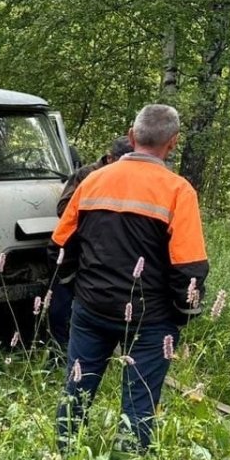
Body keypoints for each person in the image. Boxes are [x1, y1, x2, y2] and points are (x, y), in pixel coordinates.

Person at [51, 104, 209, 449]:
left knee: (77, 388)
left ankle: (63, 457)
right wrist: (183, 313)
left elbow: (60, 246)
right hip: (151, 319)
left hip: (91, 308)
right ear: (173, 142)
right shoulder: (178, 191)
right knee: (139, 400)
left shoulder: (93, 180)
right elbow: (190, 267)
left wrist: (78, 288)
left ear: (131, 135)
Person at [47, 136, 135, 349]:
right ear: (111, 158)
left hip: (109, 254)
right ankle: (58, 353)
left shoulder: (132, 178)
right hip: (76, 250)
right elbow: (63, 209)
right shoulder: (86, 175)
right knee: (61, 307)